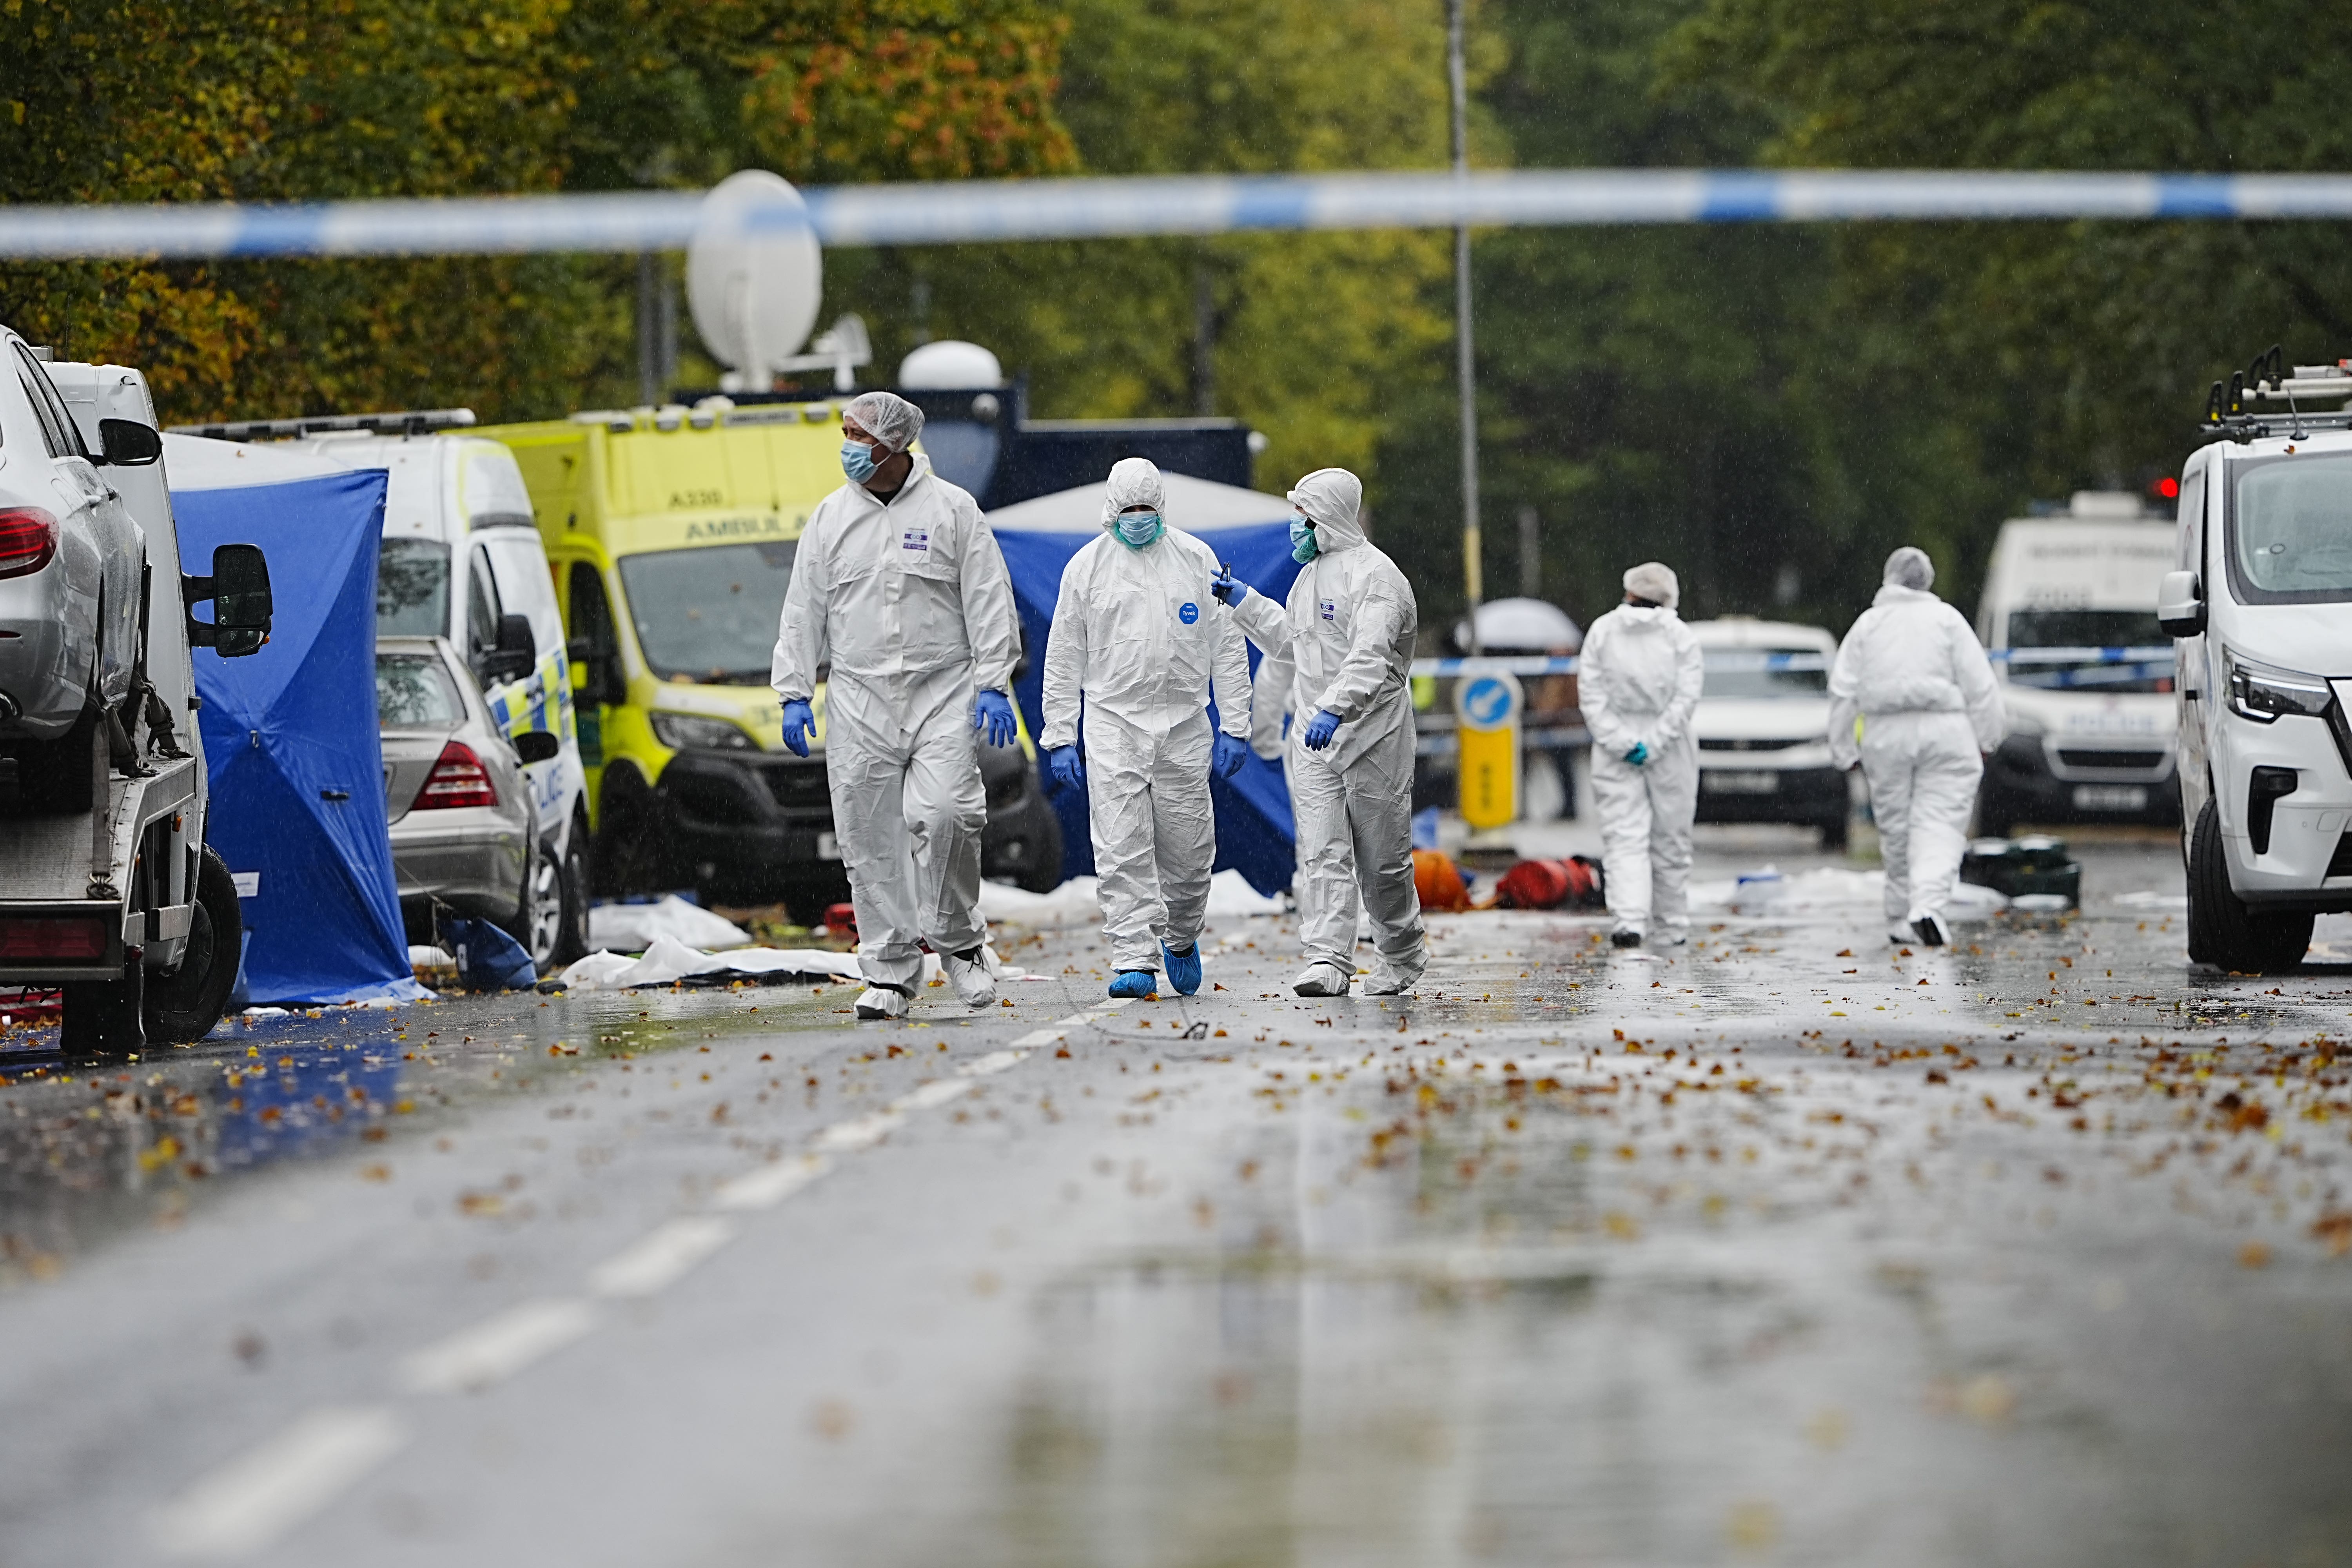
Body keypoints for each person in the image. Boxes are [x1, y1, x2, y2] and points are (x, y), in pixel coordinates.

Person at [771, 390, 1021, 1020]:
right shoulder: (830, 519)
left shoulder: (953, 511)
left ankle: (962, 945)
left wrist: (994, 681)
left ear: (891, 443)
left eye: (857, 434)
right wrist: (795, 691)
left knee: (949, 816)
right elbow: (804, 609)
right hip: (859, 696)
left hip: (942, 691)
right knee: (868, 834)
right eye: (846, 432)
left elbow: (988, 596)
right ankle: (889, 973)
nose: (847, 445)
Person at [1040, 459, 1252, 998]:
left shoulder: (1195, 559)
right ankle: (1133, 954)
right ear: (1112, 510)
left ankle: (1181, 935)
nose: (1139, 520)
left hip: (1184, 720)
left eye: (1148, 510)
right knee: (1120, 843)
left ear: (1162, 508)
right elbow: (1065, 654)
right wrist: (1061, 732)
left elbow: (1226, 645)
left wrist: (1236, 723)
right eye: (1130, 511)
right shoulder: (1087, 568)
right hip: (1114, 719)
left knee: (1189, 848)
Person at [1210, 468, 1426, 997]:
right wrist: (1245, 602)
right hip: (1314, 736)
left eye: (1302, 519)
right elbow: (1292, 643)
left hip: (1373, 735)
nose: (1295, 529)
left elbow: (1370, 655)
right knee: (1321, 850)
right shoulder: (1310, 576)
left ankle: (1400, 955)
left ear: (1327, 519)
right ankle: (1328, 958)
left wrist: (1336, 708)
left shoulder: (1377, 578)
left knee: (1383, 858)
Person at [1828, 545, 2004, 947]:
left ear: (1888, 578)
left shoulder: (1868, 625)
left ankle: (1898, 918)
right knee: (1940, 824)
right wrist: (1988, 737)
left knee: (1896, 827)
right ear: (1927, 580)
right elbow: (1981, 684)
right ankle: (1927, 907)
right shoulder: (1947, 621)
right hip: (1947, 731)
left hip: (1885, 734)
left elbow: (1842, 690)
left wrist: (1843, 751)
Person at [1579, 562, 1704, 949]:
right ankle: (1672, 925)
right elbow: (1687, 696)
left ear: (1629, 590)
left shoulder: (1602, 630)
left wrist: (1621, 741)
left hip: (1615, 747)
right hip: (1671, 746)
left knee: (1623, 836)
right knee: (1672, 837)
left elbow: (1592, 694)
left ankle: (1628, 921)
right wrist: (1657, 740)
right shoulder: (1680, 635)